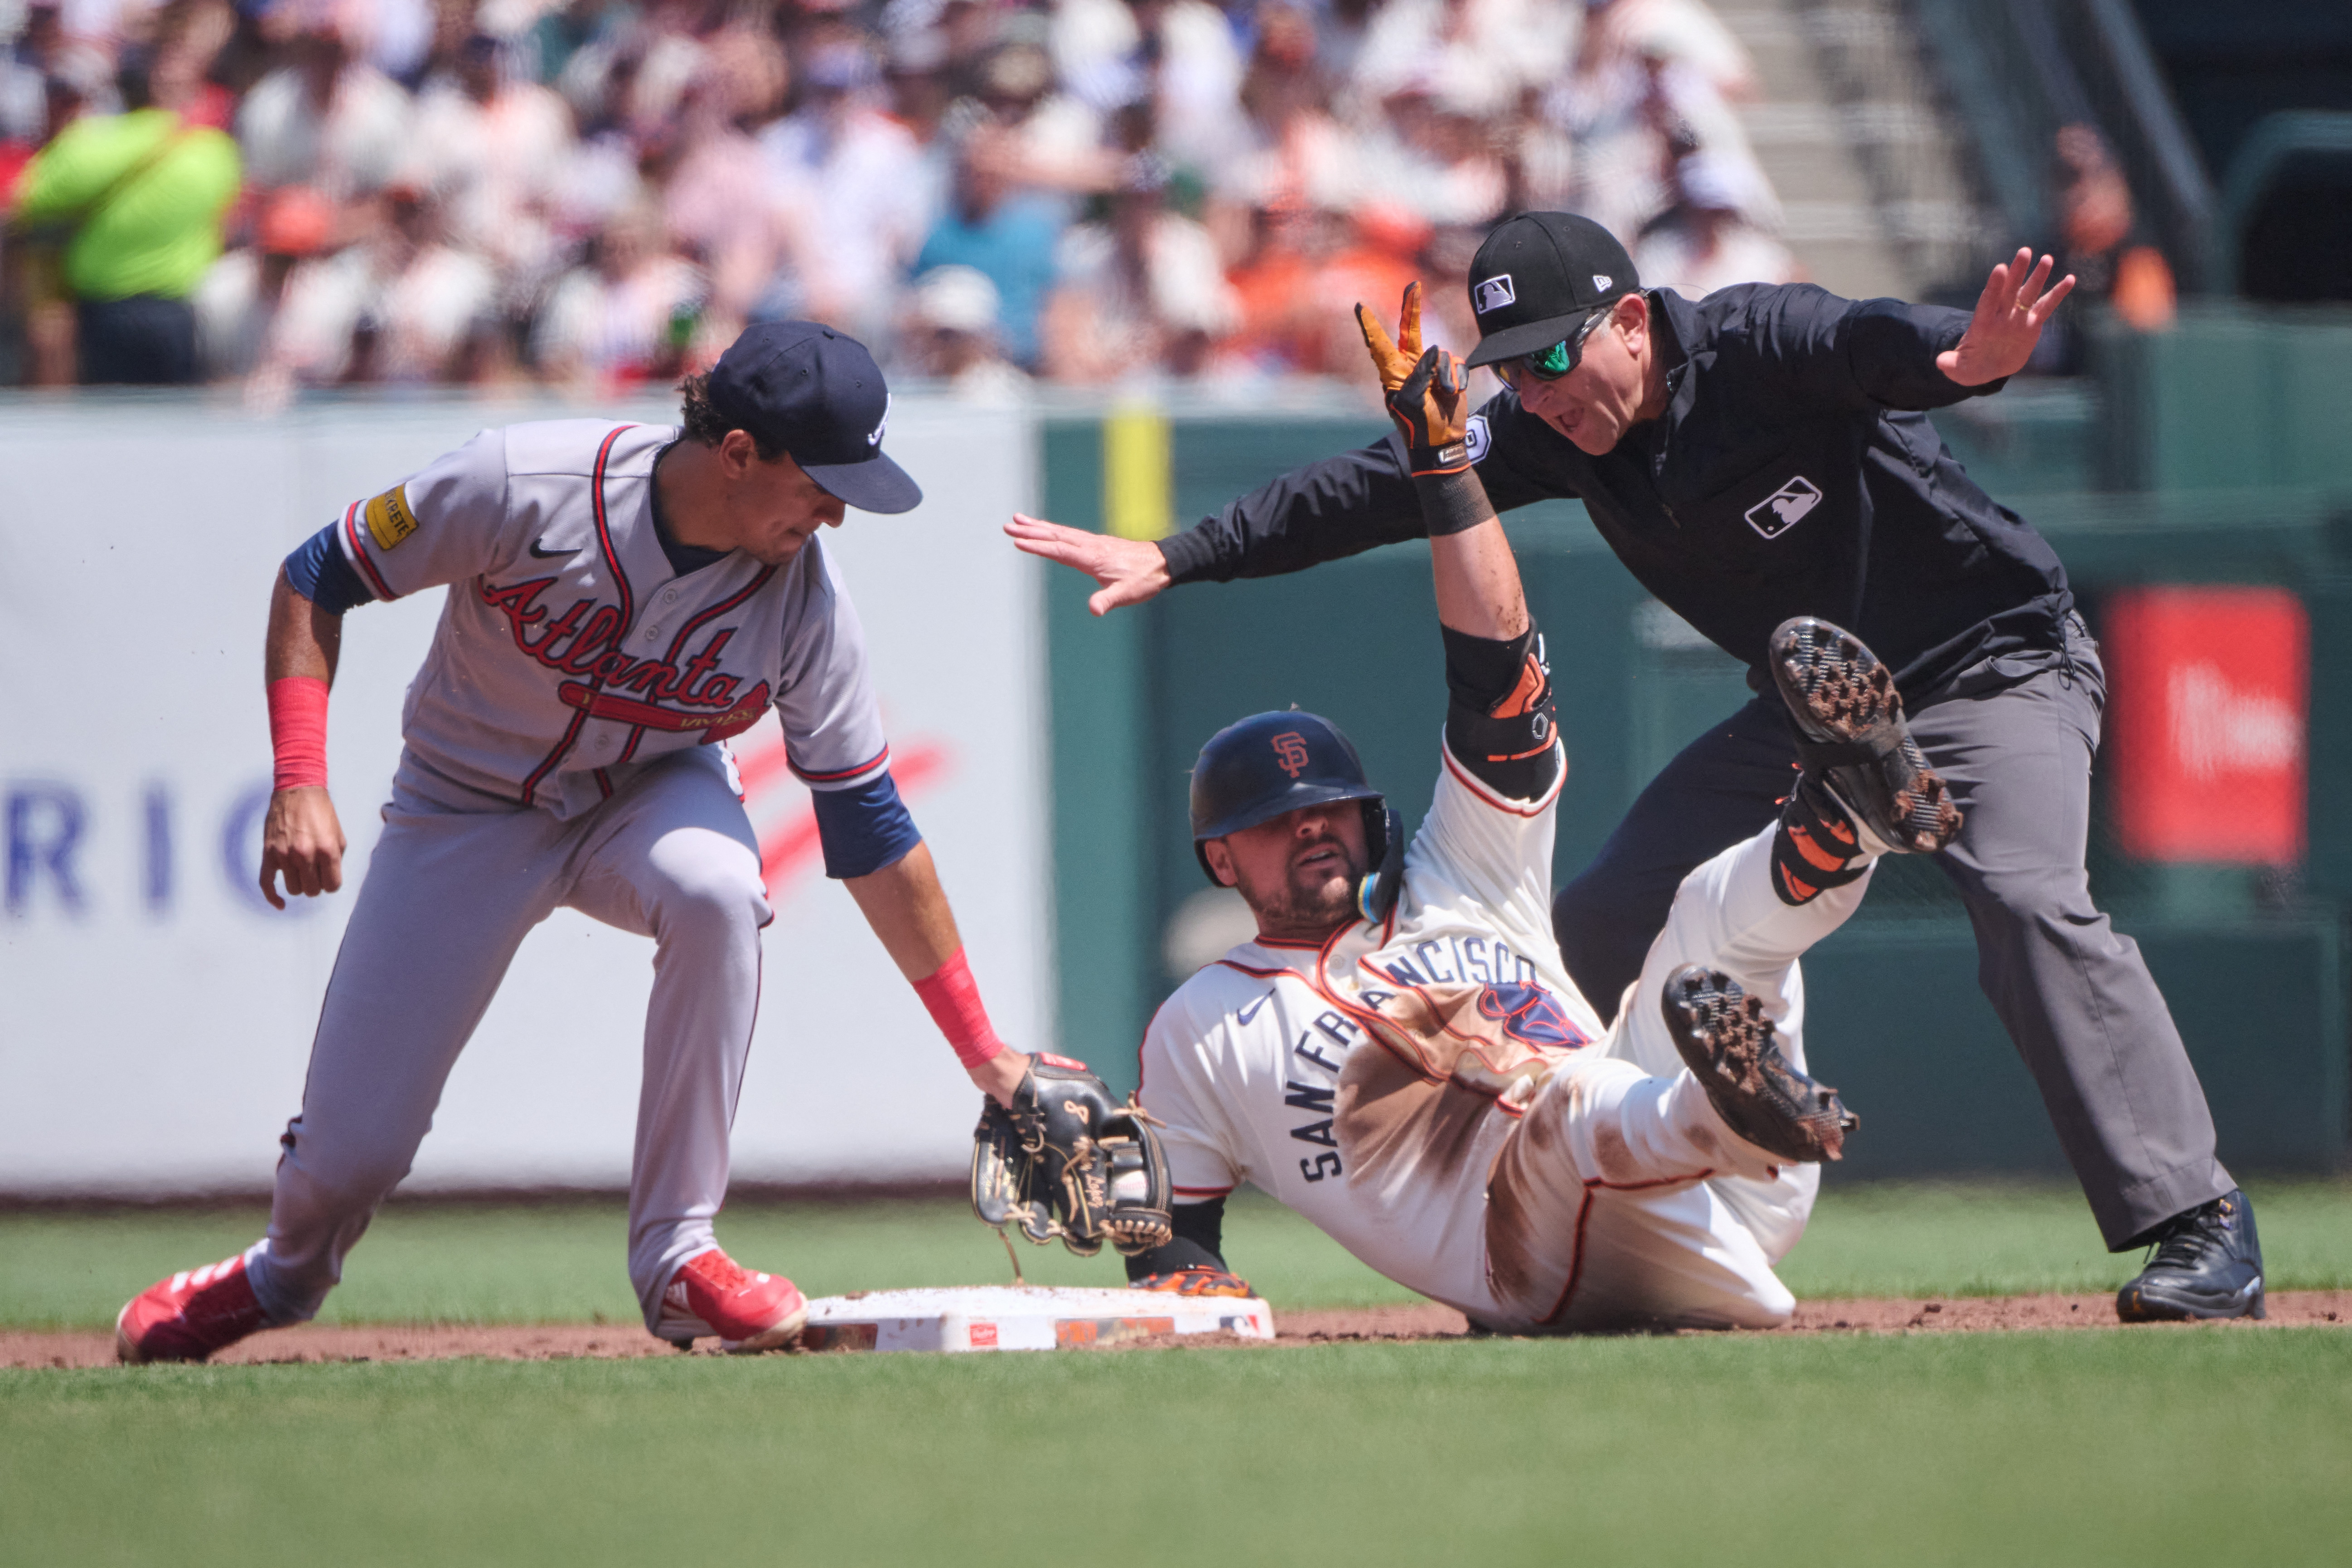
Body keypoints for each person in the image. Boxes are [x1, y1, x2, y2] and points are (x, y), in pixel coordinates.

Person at [1008, 212, 2268, 1324]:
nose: (1537, 392)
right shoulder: (1564, 436)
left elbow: (1864, 341)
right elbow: (1374, 486)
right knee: (1605, 917)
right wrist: (1183, 552)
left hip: (1985, 660)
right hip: (1803, 706)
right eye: (1513, 370)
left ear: (1626, 321)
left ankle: (2197, 1218)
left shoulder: (1750, 343)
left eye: (1555, 355)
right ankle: (1645, 1155)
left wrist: (1958, 359)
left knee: (2024, 896)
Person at [115, 322, 1036, 1364]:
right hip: (465, 805)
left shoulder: (807, 601)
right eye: (820, 481)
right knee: (350, 1157)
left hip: (650, 793)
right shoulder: (524, 481)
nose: (834, 511)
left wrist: (986, 1056)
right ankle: (281, 1272)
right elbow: (318, 572)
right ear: (736, 451)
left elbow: (869, 825)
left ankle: (681, 1257)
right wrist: (298, 777)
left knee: (719, 889)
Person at [1116, 313, 1948, 1330]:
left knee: (1709, 915)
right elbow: (1176, 1241)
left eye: (1328, 808)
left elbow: (1500, 676)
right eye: (1280, 822)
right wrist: (1168, 1269)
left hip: (1735, 1190)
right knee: (1561, 1111)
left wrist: (1445, 469)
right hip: (1542, 1256)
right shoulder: (1203, 1024)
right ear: (1219, 858)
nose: (1312, 828)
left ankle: (1849, 817)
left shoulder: (1462, 875)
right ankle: (1720, 1101)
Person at [8, 46, 240, 384]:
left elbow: (34, 194)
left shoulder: (100, 143)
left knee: (110, 419)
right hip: (150, 310)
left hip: (123, 309)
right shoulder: (215, 151)